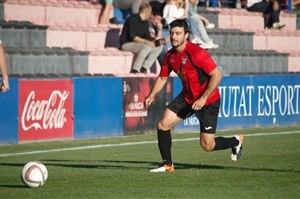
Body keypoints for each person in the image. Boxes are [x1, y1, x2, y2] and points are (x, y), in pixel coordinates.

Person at [144, 19, 244, 172]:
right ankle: (168, 165)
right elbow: (163, 77)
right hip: (187, 98)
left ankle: (235, 141)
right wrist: (152, 95)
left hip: (208, 101)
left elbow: (217, 75)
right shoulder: (169, 55)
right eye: (171, 33)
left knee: (207, 146)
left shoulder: (197, 53)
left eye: (178, 34)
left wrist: (203, 98)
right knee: (163, 125)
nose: (174, 37)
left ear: (186, 35)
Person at [119, 3, 163, 74]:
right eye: (150, 12)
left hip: (139, 44)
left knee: (159, 47)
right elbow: (133, 37)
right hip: (127, 43)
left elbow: (148, 38)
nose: (150, 14)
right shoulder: (132, 19)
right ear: (146, 12)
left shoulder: (145, 22)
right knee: (147, 47)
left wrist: (159, 33)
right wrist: (147, 42)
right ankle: (135, 69)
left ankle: (144, 67)